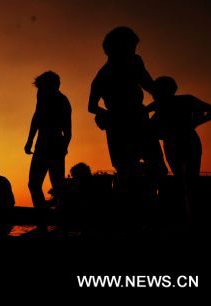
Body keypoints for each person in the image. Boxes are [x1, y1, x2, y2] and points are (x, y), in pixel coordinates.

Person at [87, 27, 166, 231]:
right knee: (126, 169)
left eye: (134, 46)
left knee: (155, 165)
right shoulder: (103, 75)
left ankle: (146, 207)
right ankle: (127, 215)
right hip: (119, 122)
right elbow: (91, 106)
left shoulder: (135, 61)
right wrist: (103, 114)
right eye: (130, 46)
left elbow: (150, 85)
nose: (133, 49)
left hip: (138, 118)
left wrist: (162, 101)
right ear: (114, 49)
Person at [147, 76, 211, 227]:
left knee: (183, 183)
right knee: (190, 183)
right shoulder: (186, 100)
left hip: (175, 144)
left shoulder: (160, 105)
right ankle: (193, 219)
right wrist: (194, 124)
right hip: (189, 141)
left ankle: (189, 220)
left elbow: (150, 127)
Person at [24, 71, 72, 233]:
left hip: (54, 144)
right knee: (35, 184)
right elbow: (36, 118)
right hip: (42, 144)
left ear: (54, 86)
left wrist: (63, 147)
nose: (40, 92)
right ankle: (43, 222)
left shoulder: (62, 102)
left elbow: (68, 131)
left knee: (57, 185)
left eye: (42, 88)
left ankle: (61, 222)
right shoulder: (42, 97)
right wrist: (30, 140)